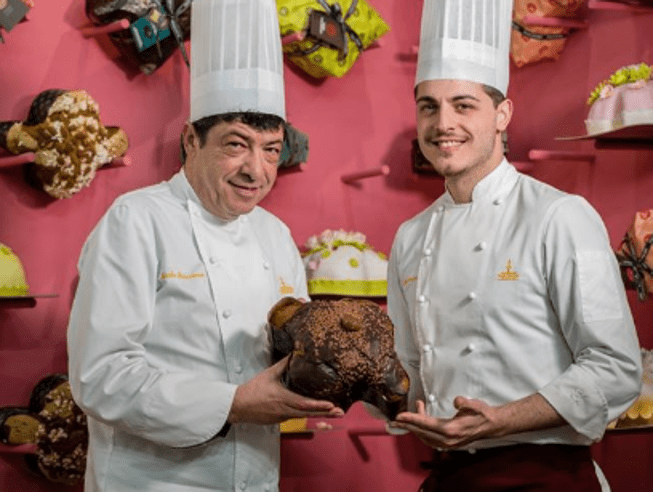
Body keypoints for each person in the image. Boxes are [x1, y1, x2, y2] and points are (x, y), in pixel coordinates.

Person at [66, 1, 342, 491]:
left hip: (255, 477)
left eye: (271, 150)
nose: (255, 170)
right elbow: (101, 376)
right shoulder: (137, 221)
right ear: (192, 140)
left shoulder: (275, 236)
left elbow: (292, 351)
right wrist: (233, 404)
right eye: (236, 144)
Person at [386, 1, 642, 490]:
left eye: (463, 105)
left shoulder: (559, 216)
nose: (443, 124)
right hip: (450, 477)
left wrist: (500, 420)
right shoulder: (411, 236)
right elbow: (409, 369)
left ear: (502, 114)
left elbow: (616, 369)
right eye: (429, 106)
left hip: (546, 476)